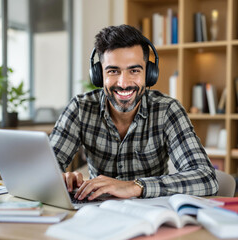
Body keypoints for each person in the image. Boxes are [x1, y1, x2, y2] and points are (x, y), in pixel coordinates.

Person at [49, 24, 218, 201]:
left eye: (134, 71)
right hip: (98, 213)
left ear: (149, 74)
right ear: (99, 75)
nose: (123, 83)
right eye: (113, 71)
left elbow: (207, 179)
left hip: (152, 214)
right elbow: (41, 170)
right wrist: (60, 178)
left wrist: (135, 187)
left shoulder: (167, 110)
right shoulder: (80, 108)